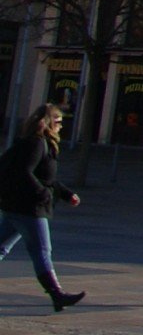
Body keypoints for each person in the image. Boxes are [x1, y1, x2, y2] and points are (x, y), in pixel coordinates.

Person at [0, 104, 85, 310]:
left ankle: (57, 295)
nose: (61, 126)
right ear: (47, 122)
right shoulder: (37, 144)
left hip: (15, 207)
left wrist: (66, 194)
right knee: (42, 251)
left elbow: (48, 178)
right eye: (58, 122)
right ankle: (57, 295)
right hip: (29, 209)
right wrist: (43, 193)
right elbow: (25, 172)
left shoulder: (39, 143)